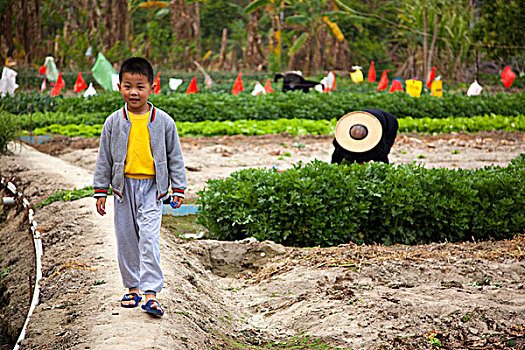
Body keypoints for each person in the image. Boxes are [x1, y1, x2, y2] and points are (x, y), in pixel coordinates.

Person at [93, 57, 186, 317]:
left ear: (151, 88)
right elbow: (104, 158)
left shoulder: (164, 122)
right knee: (126, 240)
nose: (134, 92)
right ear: (119, 87)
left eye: (140, 86)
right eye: (128, 86)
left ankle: (151, 294)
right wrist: (101, 190)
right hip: (123, 190)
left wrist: (178, 188)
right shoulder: (113, 122)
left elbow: (174, 157)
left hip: (152, 190)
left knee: (149, 238)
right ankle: (132, 288)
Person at [331, 109, 398, 165]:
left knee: (382, 152)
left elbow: (382, 154)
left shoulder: (378, 134)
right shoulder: (340, 139)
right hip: (368, 116)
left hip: (389, 124)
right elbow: (336, 157)